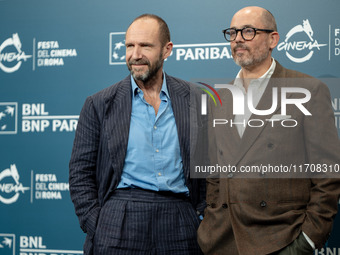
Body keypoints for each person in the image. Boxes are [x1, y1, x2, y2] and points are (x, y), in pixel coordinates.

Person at [197, 6, 340, 255]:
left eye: (248, 31)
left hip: (279, 240)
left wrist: (306, 241)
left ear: (273, 39)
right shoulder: (218, 98)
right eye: (232, 32)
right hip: (221, 241)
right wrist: (209, 224)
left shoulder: (307, 90)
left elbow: (327, 176)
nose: (238, 38)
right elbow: (213, 172)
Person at [69, 14, 205, 255]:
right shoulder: (99, 103)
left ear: (167, 50)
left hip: (180, 220)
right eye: (129, 46)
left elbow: (211, 167)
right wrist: (97, 224)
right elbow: (80, 172)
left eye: (145, 46)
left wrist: (203, 218)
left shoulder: (195, 99)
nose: (135, 54)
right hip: (119, 218)